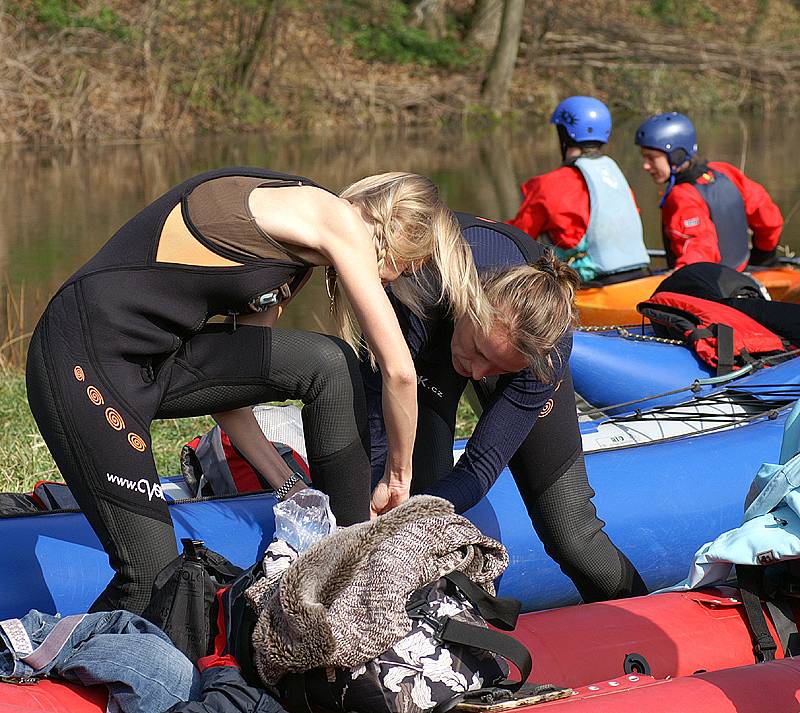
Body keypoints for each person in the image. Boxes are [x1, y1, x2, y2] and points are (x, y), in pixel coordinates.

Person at [25, 168, 482, 614]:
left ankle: (346, 574)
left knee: (327, 364)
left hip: (157, 365)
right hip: (83, 361)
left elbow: (233, 392)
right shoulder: (336, 218)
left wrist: (288, 484)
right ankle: (42, 666)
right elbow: (399, 371)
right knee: (151, 579)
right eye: (410, 266)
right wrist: (397, 479)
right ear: (400, 232)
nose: (395, 280)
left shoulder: (298, 255)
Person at [365, 213, 648, 603]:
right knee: (420, 488)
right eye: (480, 353)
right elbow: (376, 418)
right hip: (435, 330)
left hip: (498, 339)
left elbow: (480, 466)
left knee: (572, 535)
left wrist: (417, 511)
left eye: (497, 368)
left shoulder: (546, 352)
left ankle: (639, 617)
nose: (479, 372)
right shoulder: (421, 291)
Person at [509, 96, 650, 284]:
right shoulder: (615, 178)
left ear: (564, 135)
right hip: (640, 278)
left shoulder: (548, 185)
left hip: (590, 286)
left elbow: (517, 239)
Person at [635, 111, 784, 271]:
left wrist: (680, 283)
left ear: (676, 156)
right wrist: (762, 260)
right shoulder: (724, 172)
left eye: (651, 158)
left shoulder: (681, 196)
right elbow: (770, 221)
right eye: (644, 157)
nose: (646, 166)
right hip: (744, 274)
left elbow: (699, 252)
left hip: (712, 288)